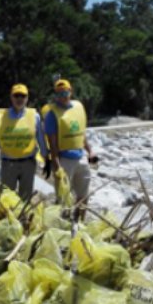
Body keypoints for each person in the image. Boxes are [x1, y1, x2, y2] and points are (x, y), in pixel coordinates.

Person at [44, 78, 96, 221]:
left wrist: (90, 151)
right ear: (56, 95)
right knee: (64, 198)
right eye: (59, 93)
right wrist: (57, 167)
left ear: (71, 92)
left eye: (65, 92)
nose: (63, 96)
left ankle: (80, 223)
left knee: (83, 195)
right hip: (64, 160)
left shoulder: (78, 107)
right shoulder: (51, 115)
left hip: (81, 157)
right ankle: (63, 226)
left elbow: (81, 134)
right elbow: (52, 144)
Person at [0, 83, 47, 201]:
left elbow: (41, 139)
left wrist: (47, 158)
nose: (19, 99)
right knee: (6, 200)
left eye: (22, 96)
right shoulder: (2, 117)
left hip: (28, 164)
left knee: (25, 200)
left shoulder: (34, 116)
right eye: (16, 96)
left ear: (27, 98)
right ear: (11, 97)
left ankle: (23, 220)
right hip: (8, 164)